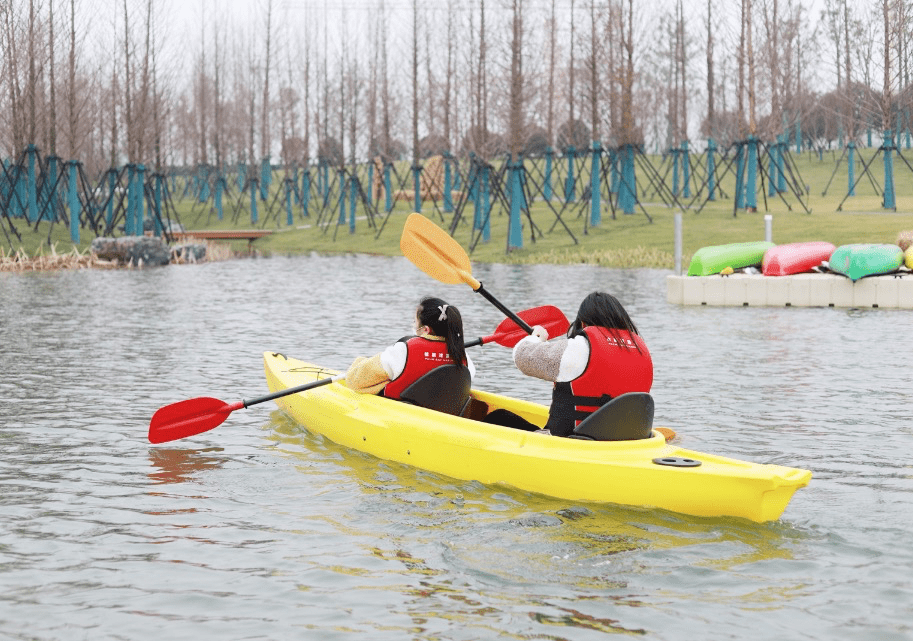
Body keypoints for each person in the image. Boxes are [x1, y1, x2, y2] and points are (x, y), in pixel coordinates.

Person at [485, 291, 652, 437]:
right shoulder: (640, 348)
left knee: (497, 417)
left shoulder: (580, 346)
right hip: (627, 441)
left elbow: (522, 357)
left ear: (584, 323)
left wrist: (537, 337)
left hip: (573, 442)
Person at [345, 296, 475, 398]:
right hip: (442, 415)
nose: (413, 325)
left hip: (400, 418)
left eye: (415, 322)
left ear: (425, 330)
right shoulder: (463, 357)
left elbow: (354, 381)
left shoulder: (403, 351)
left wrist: (360, 362)